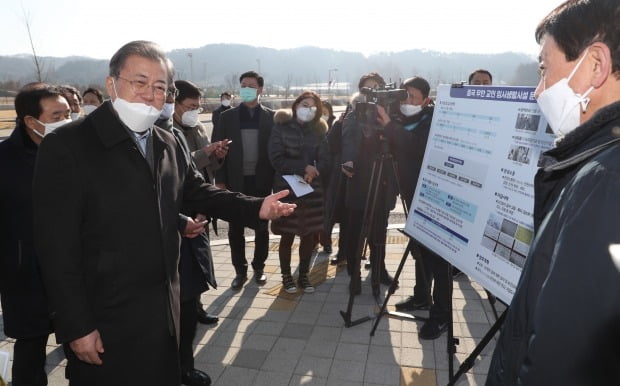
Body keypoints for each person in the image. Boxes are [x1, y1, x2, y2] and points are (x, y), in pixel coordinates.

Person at [31, 40, 295, 386]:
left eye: (160, 87)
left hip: (164, 311)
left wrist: (254, 207)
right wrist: (76, 326)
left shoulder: (167, 141)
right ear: (112, 84)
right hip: (105, 317)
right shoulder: (68, 145)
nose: (151, 95)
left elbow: (195, 192)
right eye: (139, 82)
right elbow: (55, 248)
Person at [487, 1, 620, 384]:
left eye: (544, 69)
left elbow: (565, 359)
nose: (538, 90)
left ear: (596, 64)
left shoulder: (605, 181)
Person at [0, 85, 71, 386]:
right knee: (31, 349)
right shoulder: (4, 159)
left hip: (73, 270)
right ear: (31, 121)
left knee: (82, 345)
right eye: (57, 115)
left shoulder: (76, 150)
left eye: (68, 113)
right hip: (25, 274)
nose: (67, 119)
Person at [212, 71, 275, 290]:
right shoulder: (226, 117)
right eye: (243, 85)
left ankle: (259, 268)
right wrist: (220, 180)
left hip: (261, 181)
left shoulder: (271, 117)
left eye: (251, 85)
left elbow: (275, 152)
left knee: (261, 227)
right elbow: (216, 151)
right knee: (235, 228)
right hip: (235, 181)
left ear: (260, 89)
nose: (246, 89)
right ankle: (240, 270)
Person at [341, 72, 397, 295]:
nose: (373, 92)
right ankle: (354, 274)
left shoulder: (391, 114)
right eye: (368, 88)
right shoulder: (354, 114)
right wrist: (349, 159)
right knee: (355, 230)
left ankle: (379, 269)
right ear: (362, 92)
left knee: (379, 231)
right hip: (359, 179)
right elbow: (347, 139)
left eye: (377, 87)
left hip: (383, 178)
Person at [268, 91, 330, 293]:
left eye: (313, 107)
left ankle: (303, 275)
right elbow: (276, 158)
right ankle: (286, 276)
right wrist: (303, 167)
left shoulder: (320, 130)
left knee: (309, 235)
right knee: (286, 235)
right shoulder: (281, 127)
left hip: (312, 189)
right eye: (305, 104)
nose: (308, 110)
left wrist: (315, 171)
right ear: (295, 105)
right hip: (287, 188)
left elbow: (325, 157)